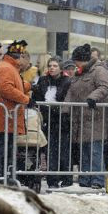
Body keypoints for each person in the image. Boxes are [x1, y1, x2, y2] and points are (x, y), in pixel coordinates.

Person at [64, 43, 108, 189]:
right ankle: (85, 178)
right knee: (84, 150)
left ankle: (97, 179)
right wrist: (65, 110)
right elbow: (71, 92)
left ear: (82, 60)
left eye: (76, 61)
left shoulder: (99, 70)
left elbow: (104, 87)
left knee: (94, 149)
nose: (75, 64)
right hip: (80, 119)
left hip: (95, 117)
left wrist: (92, 98)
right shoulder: (80, 73)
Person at [0, 40, 31, 182]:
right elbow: (5, 88)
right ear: (21, 57)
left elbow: (12, 85)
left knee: (2, 153)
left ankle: (1, 178)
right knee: (0, 154)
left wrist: (28, 86)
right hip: (2, 121)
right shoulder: (7, 68)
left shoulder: (7, 67)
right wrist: (26, 99)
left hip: (3, 120)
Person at [34, 57, 72, 188]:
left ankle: (66, 178)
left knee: (64, 150)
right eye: (50, 65)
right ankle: (52, 179)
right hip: (47, 119)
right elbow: (37, 97)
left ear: (61, 68)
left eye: (55, 66)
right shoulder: (43, 80)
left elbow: (65, 100)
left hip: (62, 120)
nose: (52, 68)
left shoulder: (67, 81)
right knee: (50, 151)